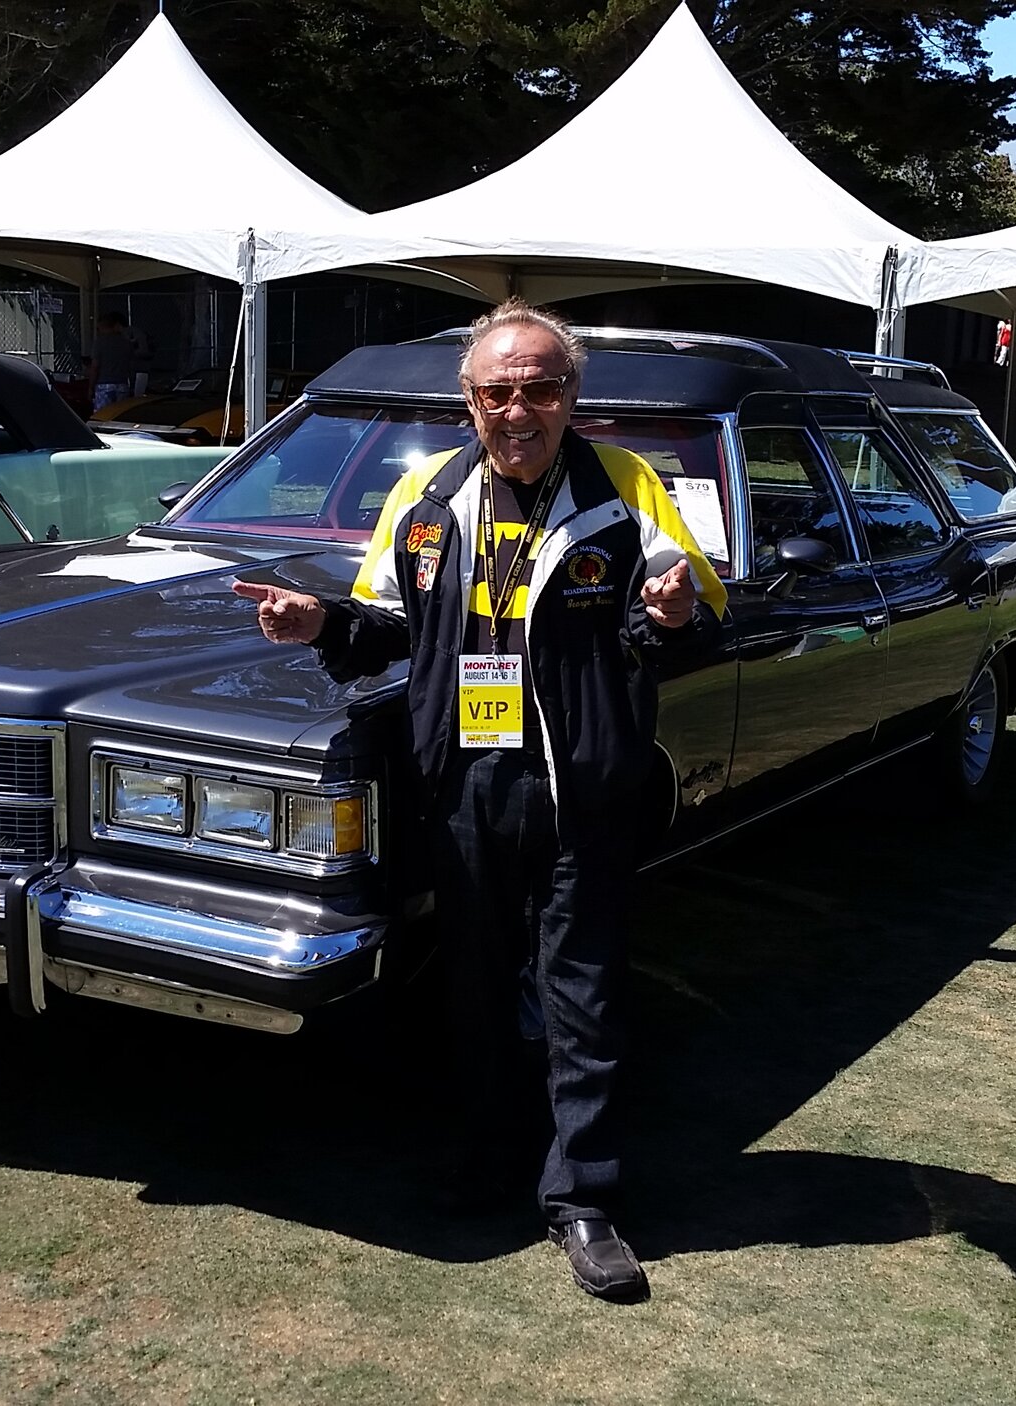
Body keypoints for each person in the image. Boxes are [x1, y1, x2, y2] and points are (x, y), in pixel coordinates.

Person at [232, 300, 724, 1303]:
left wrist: (673, 610)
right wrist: (317, 618)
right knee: (474, 985)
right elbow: (381, 626)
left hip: (581, 785)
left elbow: (692, 612)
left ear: (571, 396)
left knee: (581, 994)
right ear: (468, 400)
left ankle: (582, 1198)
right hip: (462, 784)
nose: (519, 408)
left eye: (540, 385)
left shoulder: (625, 487)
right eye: (498, 389)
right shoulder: (423, 495)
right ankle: (486, 1153)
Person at [87, 310, 135, 416]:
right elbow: (131, 367)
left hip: (104, 384)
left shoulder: (99, 343)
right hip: (122, 384)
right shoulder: (126, 344)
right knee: (120, 414)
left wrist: (91, 387)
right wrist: (131, 386)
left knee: (102, 415)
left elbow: (95, 367)